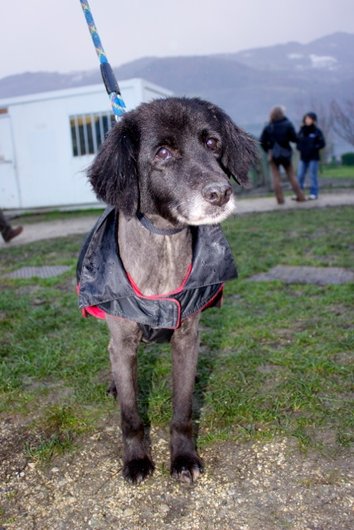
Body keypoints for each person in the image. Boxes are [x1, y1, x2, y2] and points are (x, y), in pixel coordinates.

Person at [260, 106, 305, 204]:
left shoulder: (268, 126)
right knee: (292, 176)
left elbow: (262, 141)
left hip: (274, 156)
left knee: (276, 178)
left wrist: (268, 150)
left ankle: (280, 200)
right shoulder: (288, 124)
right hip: (286, 155)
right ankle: (300, 196)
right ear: (282, 114)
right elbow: (295, 139)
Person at [296, 112, 326, 200]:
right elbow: (297, 142)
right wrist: (300, 148)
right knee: (300, 175)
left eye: (309, 119)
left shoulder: (317, 132)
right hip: (303, 157)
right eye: (306, 118)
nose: (307, 120)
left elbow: (322, 143)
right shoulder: (301, 131)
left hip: (313, 157)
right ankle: (299, 193)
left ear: (313, 120)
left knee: (313, 175)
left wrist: (314, 147)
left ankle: (314, 193)